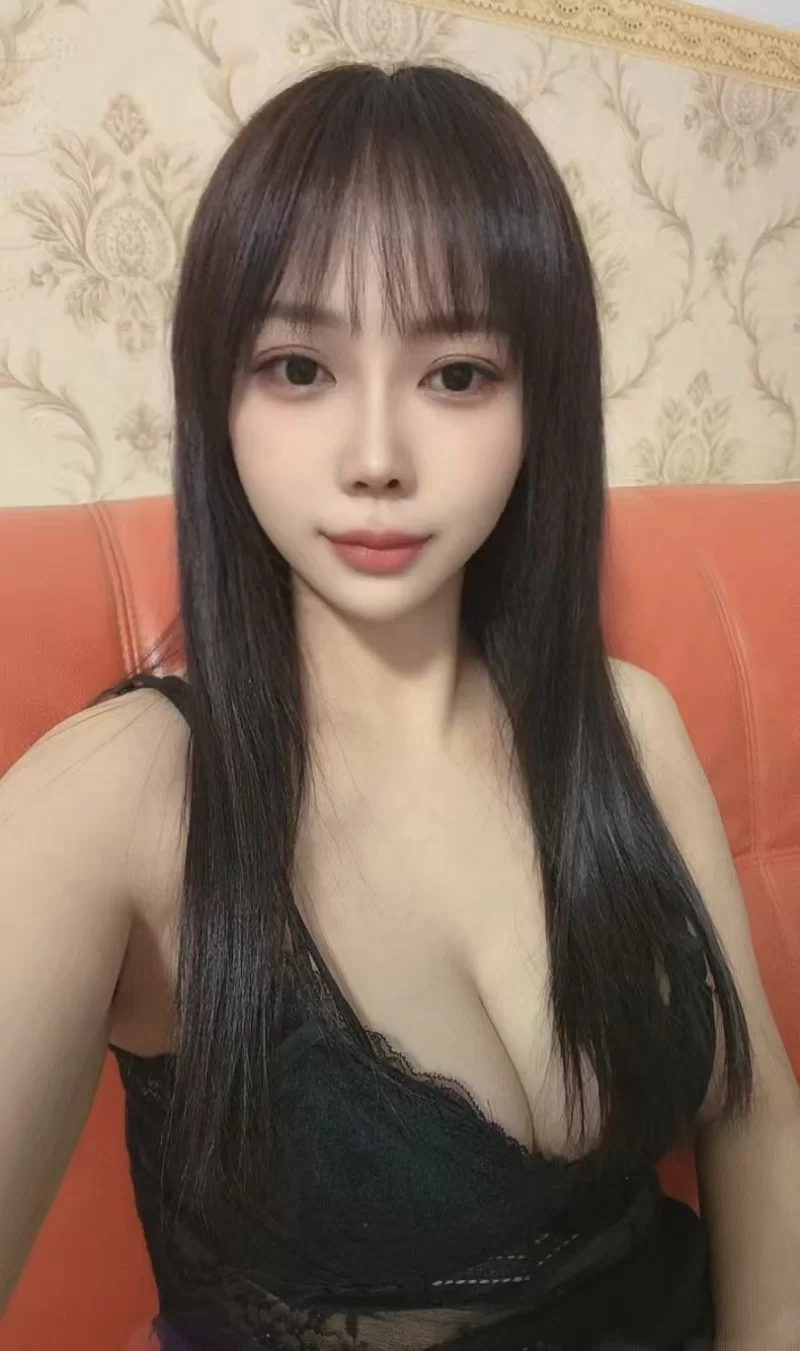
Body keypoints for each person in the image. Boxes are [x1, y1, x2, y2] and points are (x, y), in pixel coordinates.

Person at [1, 60, 798, 1351]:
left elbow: (758, 1112)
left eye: (459, 374)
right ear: (217, 397)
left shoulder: (629, 727)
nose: (376, 457)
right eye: (298, 366)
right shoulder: (117, 799)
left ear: (542, 404)